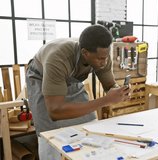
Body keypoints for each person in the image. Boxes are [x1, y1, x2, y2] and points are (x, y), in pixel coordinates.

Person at [25, 24, 131, 160]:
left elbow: (110, 85)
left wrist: (120, 92)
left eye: (106, 57)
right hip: (42, 77)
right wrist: (106, 100)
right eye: (100, 59)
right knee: (48, 132)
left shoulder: (102, 54)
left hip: (70, 79)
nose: (104, 62)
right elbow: (55, 111)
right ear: (85, 53)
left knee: (90, 123)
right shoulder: (57, 58)